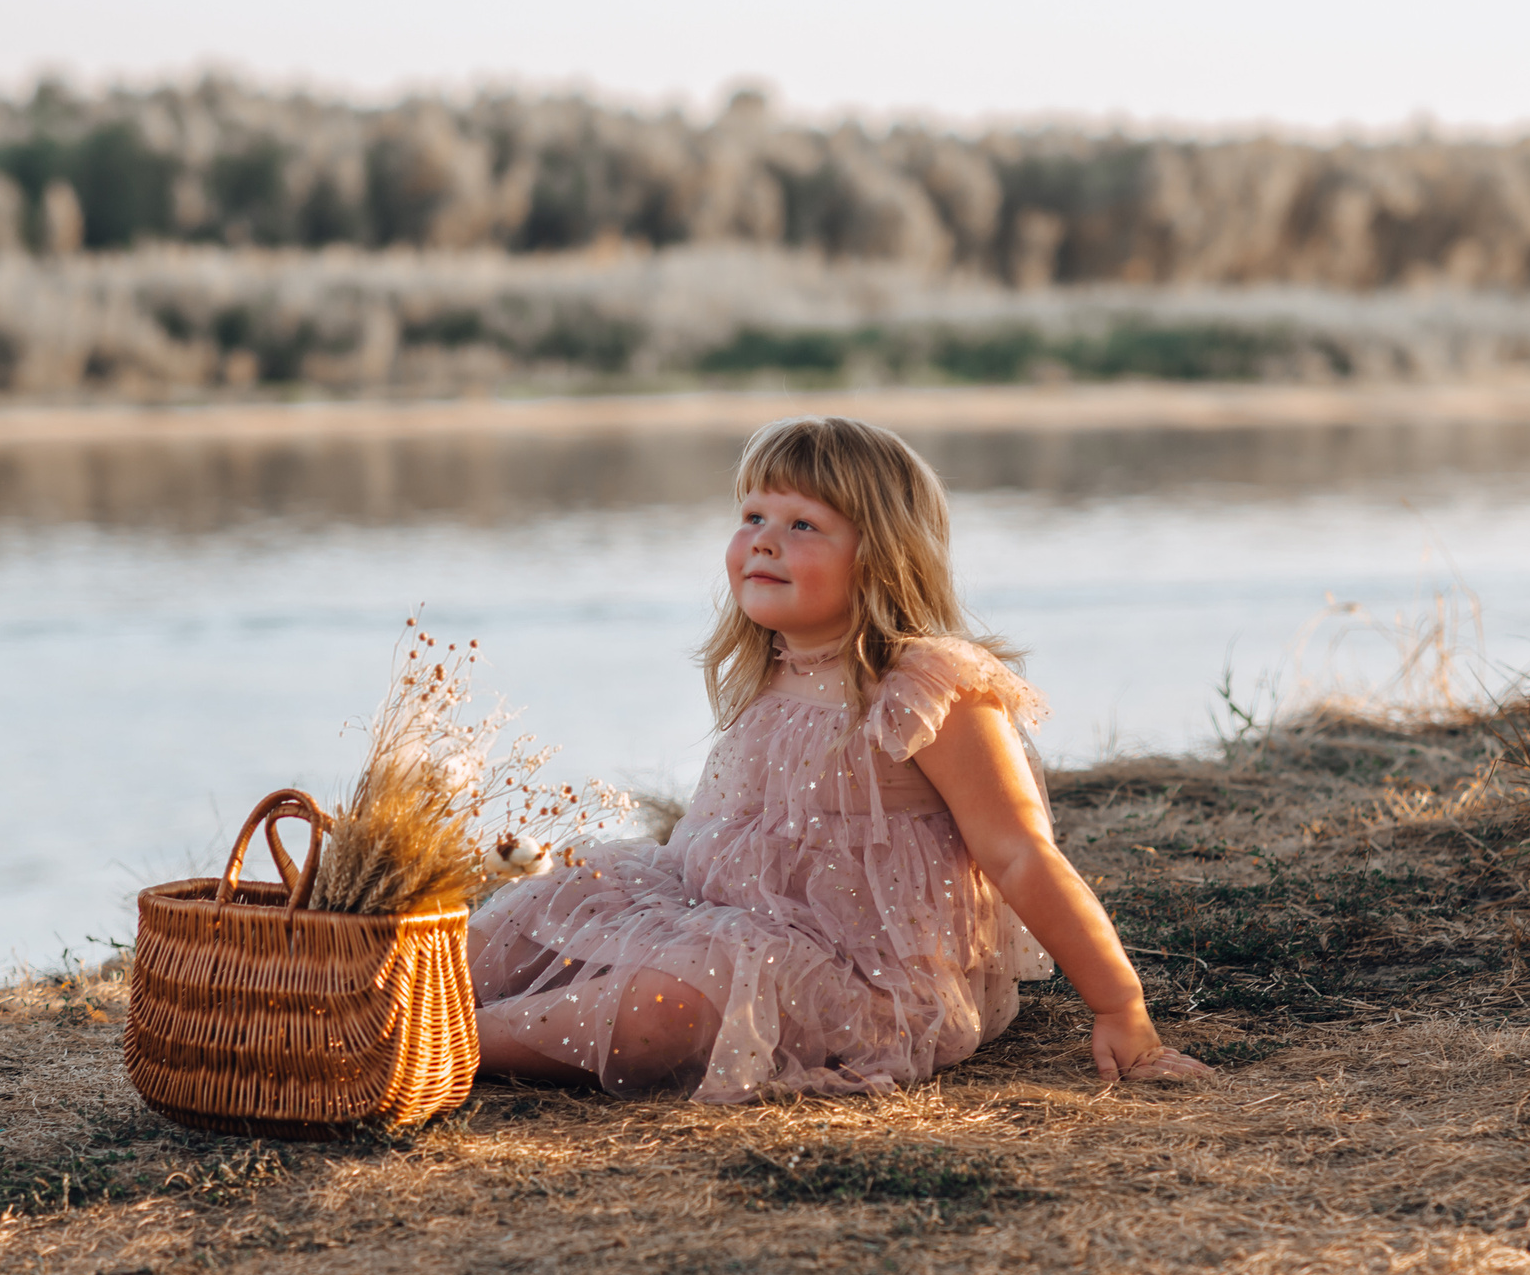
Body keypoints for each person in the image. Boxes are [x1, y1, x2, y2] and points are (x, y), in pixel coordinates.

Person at [467, 415, 1214, 1101]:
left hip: (857, 978)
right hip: (712, 913)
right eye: (753, 516)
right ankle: (398, 1004)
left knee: (671, 1005)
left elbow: (1021, 853)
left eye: (802, 525)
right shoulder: (773, 665)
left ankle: (453, 1046)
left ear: (881, 555)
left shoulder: (928, 687)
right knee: (541, 909)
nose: (763, 539)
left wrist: (1121, 1005)